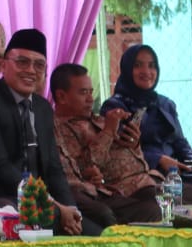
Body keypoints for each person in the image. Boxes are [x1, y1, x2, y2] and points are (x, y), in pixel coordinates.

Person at [0, 29, 95, 235]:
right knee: (53, 220)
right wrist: (52, 203)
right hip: (5, 200)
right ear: (4, 65)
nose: (31, 71)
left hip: (44, 202)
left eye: (39, 65)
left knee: (97, 232)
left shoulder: (43, 107)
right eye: (22, 62)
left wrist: (71, 208)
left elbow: (53, 168)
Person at [51, 63, 160, 227]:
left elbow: (133, 156)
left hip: (145, 180)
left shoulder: (99, 120)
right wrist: (108, 131)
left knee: (186, 197)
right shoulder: (61, 129)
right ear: (61, 97)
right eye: (83, 92)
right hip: (117, 191)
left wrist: (134, 142)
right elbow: (87, 167)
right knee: (160, 208)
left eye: (91, 92)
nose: (90, 99)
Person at [101, 44, 192, 185]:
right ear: (127, 69)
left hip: (175, 174)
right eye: (138, 65)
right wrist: (158, 159)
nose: (146, 71)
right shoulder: (115, 108)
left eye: (152, 65)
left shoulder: (165, 104)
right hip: (139, 177)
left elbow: (180, 142)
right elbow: (119, 151)